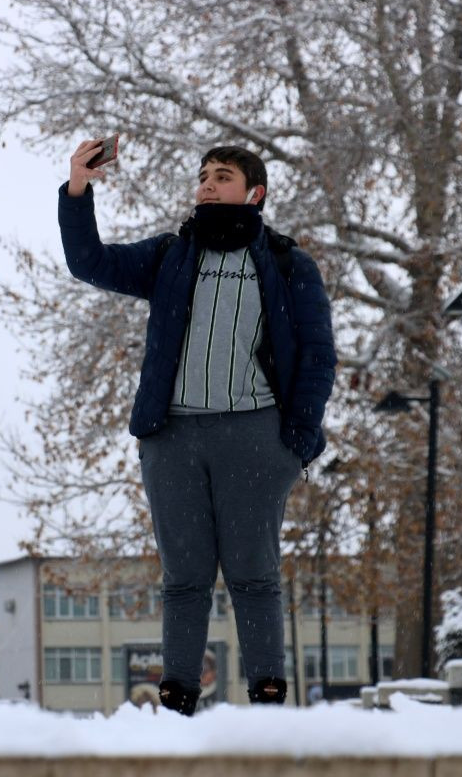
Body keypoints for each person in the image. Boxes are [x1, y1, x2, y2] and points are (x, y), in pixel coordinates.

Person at [58, 140, 336, 716]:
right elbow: (91, 263)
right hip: (174, 440)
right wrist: (78, 189)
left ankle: (267, 704)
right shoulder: (170, 257)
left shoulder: (287, 264)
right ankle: (177, 702)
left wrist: (298, 442)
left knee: (253, 575)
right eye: (204, 175)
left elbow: (317, 355)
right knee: (184, 577)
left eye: (223, 176)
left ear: (253, 193)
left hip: (255, 439)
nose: (207, 185)